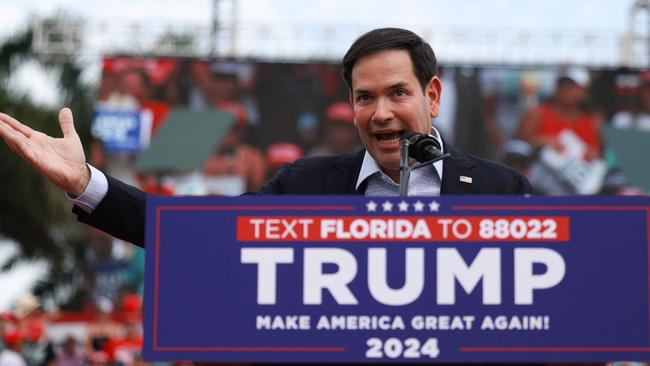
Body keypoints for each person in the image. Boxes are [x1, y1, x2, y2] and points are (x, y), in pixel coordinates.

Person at [0, 27, 531, 248]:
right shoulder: (307, 185)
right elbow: (199, 236)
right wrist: (88, 183)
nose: (382, 113)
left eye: (398, 93)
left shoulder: (501, 190)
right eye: (365, 98)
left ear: (432, 96)